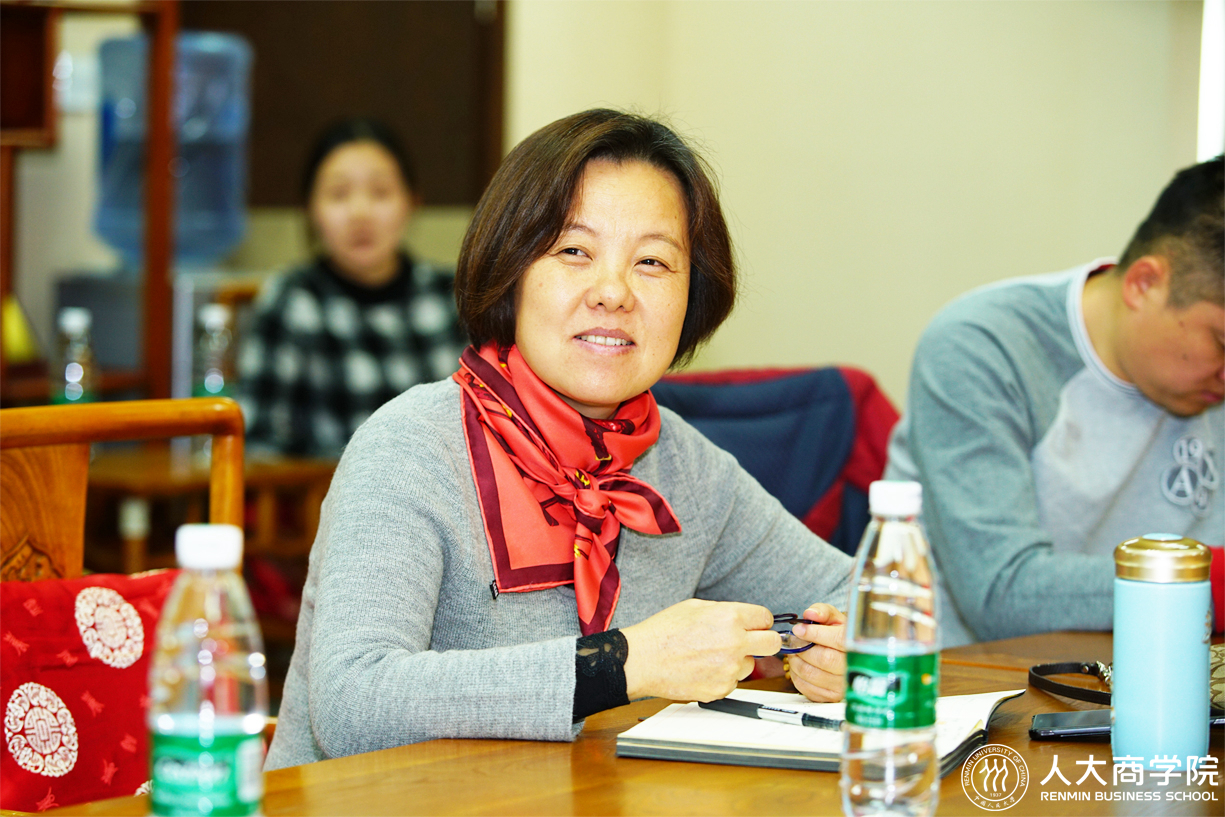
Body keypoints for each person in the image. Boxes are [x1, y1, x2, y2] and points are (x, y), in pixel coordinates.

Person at [265, 110, 854, 769]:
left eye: (653, 261)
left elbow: (872, 601)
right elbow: (352, 703)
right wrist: (623, 663)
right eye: (574, 251)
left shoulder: (683, 467)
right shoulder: (411, 446)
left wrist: (843, 654)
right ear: (511, 268)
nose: (613, 292)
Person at [886, 156, 1224, 648]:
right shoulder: (981, 346)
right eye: (1222, 342)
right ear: (1144, 284)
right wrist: (1208, 582)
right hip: (966, 676)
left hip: (1158, 664)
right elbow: (1002, 592)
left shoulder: (1203, 378)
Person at [237, 118, 468, 458]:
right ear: (309, 208)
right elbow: (259, 444)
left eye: (380, 192)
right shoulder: (293, 300)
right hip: (327, 490)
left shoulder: (452, 296)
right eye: (338, 194)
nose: (360, 213)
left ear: (412, 201)